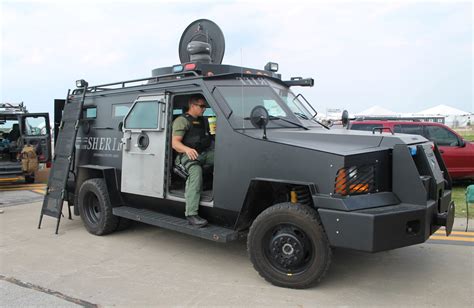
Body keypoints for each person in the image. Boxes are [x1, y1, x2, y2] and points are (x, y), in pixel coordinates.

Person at [172, 94, 214, 227]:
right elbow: (175, 143)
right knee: (195, 172)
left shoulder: (204, 121)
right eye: (201, 106)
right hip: (186, 155)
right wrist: (187, 150)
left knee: (225, 158)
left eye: (205, 106)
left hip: (203, 153)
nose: (204, 109)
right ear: (192, 106)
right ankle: (191, 214)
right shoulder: (182, 120)